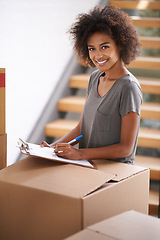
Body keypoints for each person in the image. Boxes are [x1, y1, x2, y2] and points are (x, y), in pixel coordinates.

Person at [41, 5, 142, 164]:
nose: (98, 55)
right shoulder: (95, 78)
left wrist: (80, 154)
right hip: (89, 164)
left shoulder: (128, 87)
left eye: (104, 47)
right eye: (92, 49)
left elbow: (125, 148)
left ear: (120, 44)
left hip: (116, 171)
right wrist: (51, 149)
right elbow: (82, 128)